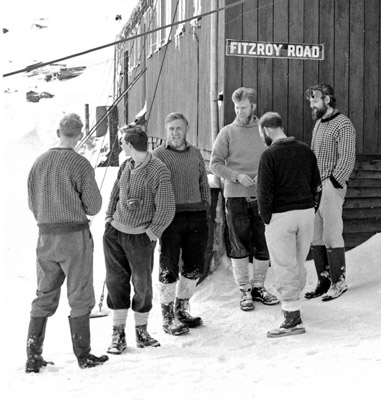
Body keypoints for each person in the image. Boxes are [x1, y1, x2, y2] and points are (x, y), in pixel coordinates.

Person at [26, 113, 108, 372]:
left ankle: (32, 356)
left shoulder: (38, 163)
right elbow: (94, 206)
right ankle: (83, 356)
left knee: (44, 295)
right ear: (80, 134)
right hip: (74, 238)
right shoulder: (80, 164)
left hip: (45, 237)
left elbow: (32, 203)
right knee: (80, 294)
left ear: (59, 132)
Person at [103, 124, 176, 354]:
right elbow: (115, 192)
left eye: (123, 143)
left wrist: (151, 235)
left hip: (140, 238)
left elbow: (166, 209)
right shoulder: (126, 164)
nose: (121, 146)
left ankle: (142, 332)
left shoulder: (158, 170)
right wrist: (108, 219)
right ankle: (118, 335)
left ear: (131, 145)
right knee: (116, 283)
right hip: (115, 234)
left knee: (142, 285)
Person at [210, 87, 279, 311]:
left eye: (244, 107)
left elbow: (275, 157)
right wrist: (236, 176)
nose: (239, 111)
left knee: (262, 242)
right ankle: (244, 290)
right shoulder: (227, 132)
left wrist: (265, 174)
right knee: (239, 244)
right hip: (236, 196)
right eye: (237, 107)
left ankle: (259, 286)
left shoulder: (264, 131)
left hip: (262, 196)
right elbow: (215, 163)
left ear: (253, 107)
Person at [256, 112, 322, 337]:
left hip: (281, 216)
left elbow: (263, 193)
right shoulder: (305, 150)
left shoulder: (269, 155)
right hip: (305, 214)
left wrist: (266, 218)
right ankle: (293, 303)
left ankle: (292, 318)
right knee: (297, 262)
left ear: (266, 130)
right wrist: (311, 208)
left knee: (284, 265)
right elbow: (317, 185)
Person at [152, 113, 211, 336]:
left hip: (196, 216)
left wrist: (205, 204)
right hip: (170, 218)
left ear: (187, 129)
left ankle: (182, 307)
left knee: (194, 266)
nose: (175, 133)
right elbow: (154, 186)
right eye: (171, 129)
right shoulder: (158, 155)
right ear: (166, 132)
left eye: (179, 128)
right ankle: (167, 316)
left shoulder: (195, 153)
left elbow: (203, 182)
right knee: (168, 267)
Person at [304, 83, 356, 301]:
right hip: (315, 187)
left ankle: (339, 282)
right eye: (310, 101)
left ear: (327, 99)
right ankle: (323, 281)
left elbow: (347, 157)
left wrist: (334, 182)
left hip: (330, 186)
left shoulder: (343, 124)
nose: (312, 105)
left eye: (315, 100)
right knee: (316, 235)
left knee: (331, 233)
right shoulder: (318, 125)